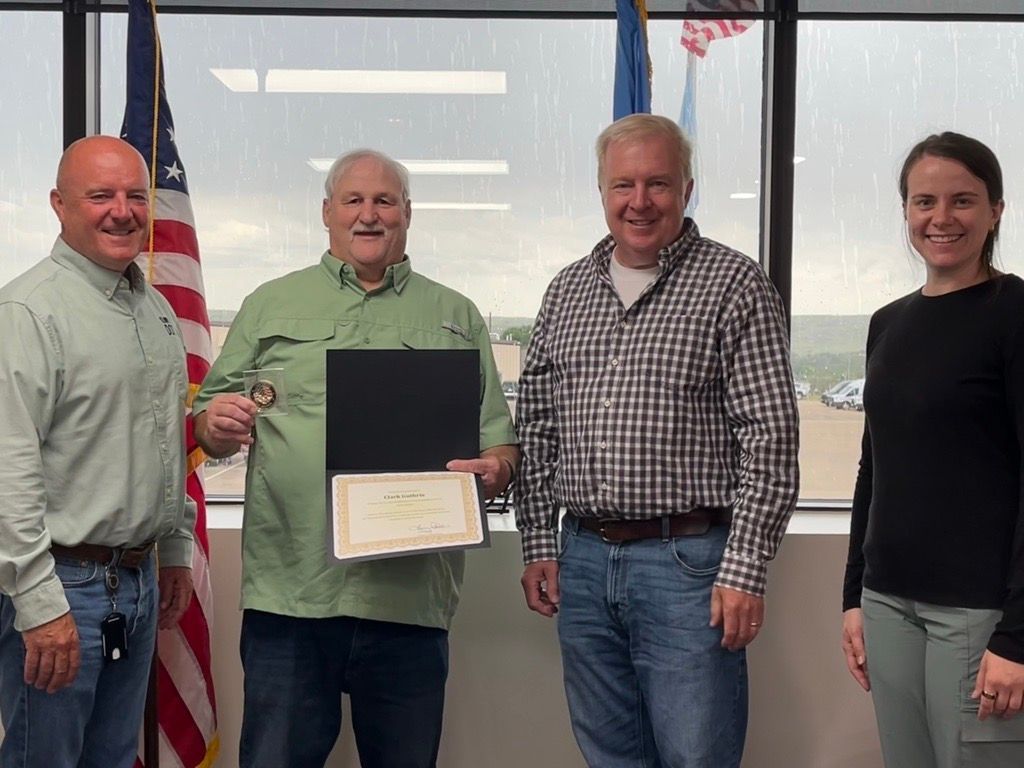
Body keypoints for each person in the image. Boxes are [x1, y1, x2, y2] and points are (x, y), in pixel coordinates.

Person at [193, 148, 518, 768]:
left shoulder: (455, 315)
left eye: (384, 201)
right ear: (327, 212)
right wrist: (217, 423)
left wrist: (498, 468)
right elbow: (209, 422)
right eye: (354, 201)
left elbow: (498, 442)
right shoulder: (269, 304)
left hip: (409, 600)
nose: (369, 216)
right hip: (291, 599)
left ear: (407, 214)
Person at [516, 113, 799, 767]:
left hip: (688, 565)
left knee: (695, 754)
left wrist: (745, 570)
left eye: (658, 184)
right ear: (601, 192)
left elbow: (771, 439)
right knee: (608, 753)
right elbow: (535, 424)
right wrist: (537, 542)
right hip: (581, 559)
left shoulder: (734, 285)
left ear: (687, 188)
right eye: (623, 185)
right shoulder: (566, 292)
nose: (639, 201)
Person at [0, 135, 195, 768]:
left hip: (135, 581)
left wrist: (173, 551)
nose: (123, 210)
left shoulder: (155, 310)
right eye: (100, 195)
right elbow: (9, 471)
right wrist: (37, 602)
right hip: (61, 588)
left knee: (111, 759)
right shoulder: (29, 313)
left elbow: (166, 440)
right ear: (59, 204)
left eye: (136, 195)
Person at [842, 132, 1024, 767]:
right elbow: (875, 466)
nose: (941, 218)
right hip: (887, 603)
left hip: (977, 613)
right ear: (907, 212)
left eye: (963, 201)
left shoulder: (1015, 312)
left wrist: (1018, 636)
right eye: (924, 202)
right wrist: (853, 596)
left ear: (997, 209)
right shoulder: (888, 323)